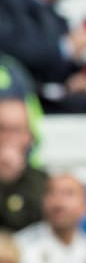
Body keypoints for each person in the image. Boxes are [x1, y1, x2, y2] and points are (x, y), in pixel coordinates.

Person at [0, 0, 85, 104]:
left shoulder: (54, 10)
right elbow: (17, 52)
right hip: (19, 102)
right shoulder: (6, 2)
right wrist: (66, 48)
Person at [0, 92, 48, 232]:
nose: (8, 137)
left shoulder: (43, 182)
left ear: (29, 137)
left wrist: (14, 175)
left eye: (15, 130)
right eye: (1, 129)